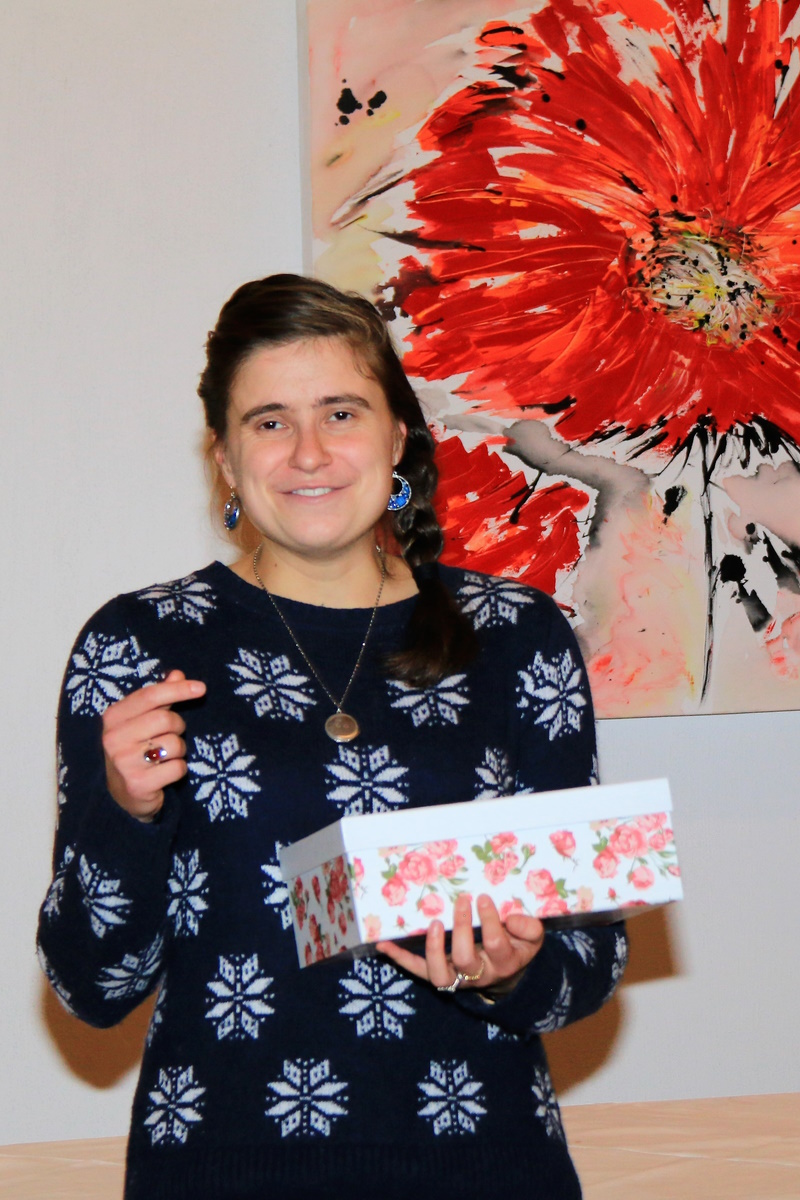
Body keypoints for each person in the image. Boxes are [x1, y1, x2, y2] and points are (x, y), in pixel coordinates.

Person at [38, 274, 628, 1200]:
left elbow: (588, 966)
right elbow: (92, 988)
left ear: (397, 438)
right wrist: (126, 815)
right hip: (221, 1173)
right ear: (225, 458)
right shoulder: (139, 644)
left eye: (341, 413)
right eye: (269, 421)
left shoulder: (518, 633)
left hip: (485, 1167)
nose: (308, 452)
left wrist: (513, 969)